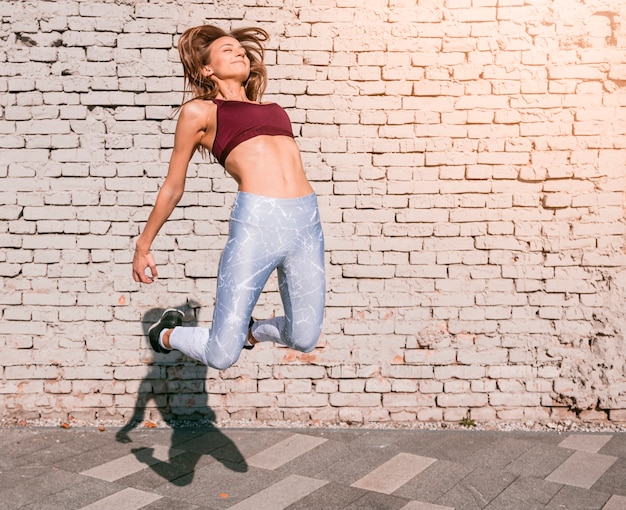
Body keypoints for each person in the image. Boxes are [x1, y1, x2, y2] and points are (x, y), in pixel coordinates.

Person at [131, 25, 325, 370]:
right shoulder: (201, 112)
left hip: (305, 222)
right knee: (221, 356)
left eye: (241, 49)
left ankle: (250, 332)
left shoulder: (277, 110)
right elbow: (174, 185)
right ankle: (165, 335)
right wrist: (143, 245)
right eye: (227, 49)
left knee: (304, 337)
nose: (239, 52)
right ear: (207, 69)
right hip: (257, 223)